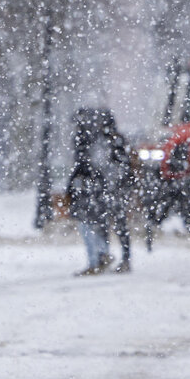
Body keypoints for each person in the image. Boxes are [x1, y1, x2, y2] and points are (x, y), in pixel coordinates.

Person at [68, 107, 133, 275]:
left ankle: (102, 257)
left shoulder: (96, 140)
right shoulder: (108, 139)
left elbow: (90, 164)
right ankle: (110, 256)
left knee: (98, 223)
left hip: (105, 187)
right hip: (109, 187)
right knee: (110, 223)